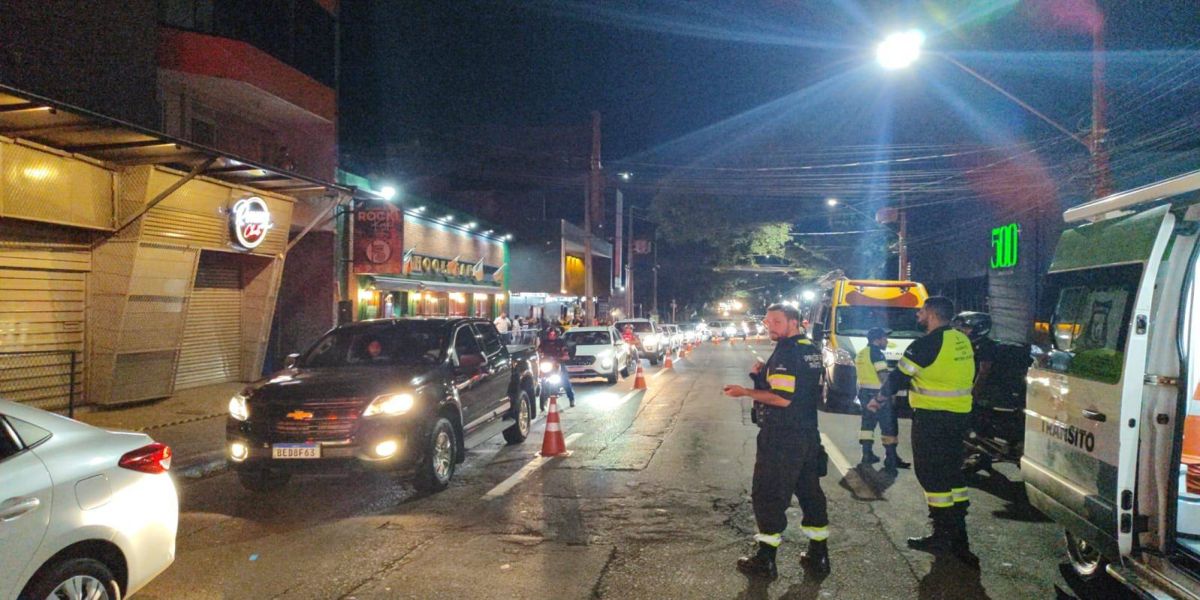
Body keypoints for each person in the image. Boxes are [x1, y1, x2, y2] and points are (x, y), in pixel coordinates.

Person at [723, 304, 830, 579]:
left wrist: (745, 391)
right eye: (768, 321)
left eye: (777, 322)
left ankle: (765, 560)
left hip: (782, 436)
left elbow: (782, 398)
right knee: (810, 493)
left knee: (768, 494)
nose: (770, 326)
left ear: (794, 322)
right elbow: (799, 385)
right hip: (808, 434)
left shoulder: (787, 351)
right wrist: (762, 375)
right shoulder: (810, 349)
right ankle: (819, 555)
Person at [874, 296, 978, 568]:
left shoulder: (925, 344)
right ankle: (959, 534)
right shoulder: (962, 340)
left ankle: (942, 535)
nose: (918, 314)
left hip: (933, 418)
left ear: (931, 313)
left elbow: (897, 378)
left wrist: (878, 400)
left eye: (921, 310)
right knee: (952, 472)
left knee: (931, 474)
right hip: (959, 416)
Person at [857, 327, 910, 472]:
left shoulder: (862, 353)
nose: (887, 341)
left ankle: (867, 454)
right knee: (888, 426)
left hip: (864, 392)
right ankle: (891, 458)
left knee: (867, 425)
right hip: (878, 394)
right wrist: (889, 393)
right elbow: (883, 376)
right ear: (877, 340)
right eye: (885, 338)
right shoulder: (877, 354)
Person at [951, 312, 997, 403]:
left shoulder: (986, 346)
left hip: (980, 396)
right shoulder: (963, 344)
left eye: (965, 327)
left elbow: (983, 372)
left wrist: (973, 396)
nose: (960, 330)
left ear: (979, 328)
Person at [537, 326, 576, 407]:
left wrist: (565, 355)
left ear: (557, 335)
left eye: (553, 334)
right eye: (550, 334)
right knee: (542, 379)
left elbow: (565, 350)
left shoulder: (560, 342)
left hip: (558, 363)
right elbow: (539, 351)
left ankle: (571, 398)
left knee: (565, 380)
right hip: (547, 364)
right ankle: (543, 398)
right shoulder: (544, 342)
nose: (552, 336)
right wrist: (538, 355)